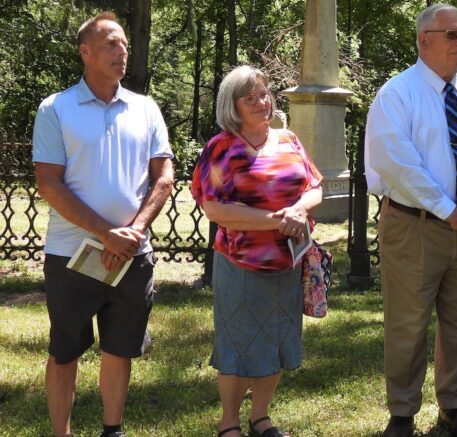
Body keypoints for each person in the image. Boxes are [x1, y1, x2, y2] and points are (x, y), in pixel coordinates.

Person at [365, 4, 457, 436]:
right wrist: (449, 209)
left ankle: (455, 406)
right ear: (424, 39)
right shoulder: (397, 94)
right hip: (416, 226)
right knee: (408, 323)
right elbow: (397, 164)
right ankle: (403, 412)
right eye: (452, 35)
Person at [32, 12, 174, 437]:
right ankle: (63, 432)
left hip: (132, 255)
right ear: (86, 52)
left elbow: (164, 176)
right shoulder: (56, 108)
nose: (121, 51)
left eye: (125, 45)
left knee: (120, 347)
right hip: (71, 256)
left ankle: (113, 429)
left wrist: (134, 232)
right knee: (65, 351)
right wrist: (106, 233)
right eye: (111, 43)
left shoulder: (145, 108)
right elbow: (49, 184)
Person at [191, 65, 323, 437]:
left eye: (264, 94)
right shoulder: (221, 148)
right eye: (250, 98)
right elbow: (214, 209)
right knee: (237, 345)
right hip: (241, 264)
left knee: (277, 341)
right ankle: (229, 422)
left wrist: (299, 210)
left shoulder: (289, 139)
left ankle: (260, 417)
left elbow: (315, 186)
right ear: (231, 106)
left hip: (287, 263)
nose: (261, 102)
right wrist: (276, 221)